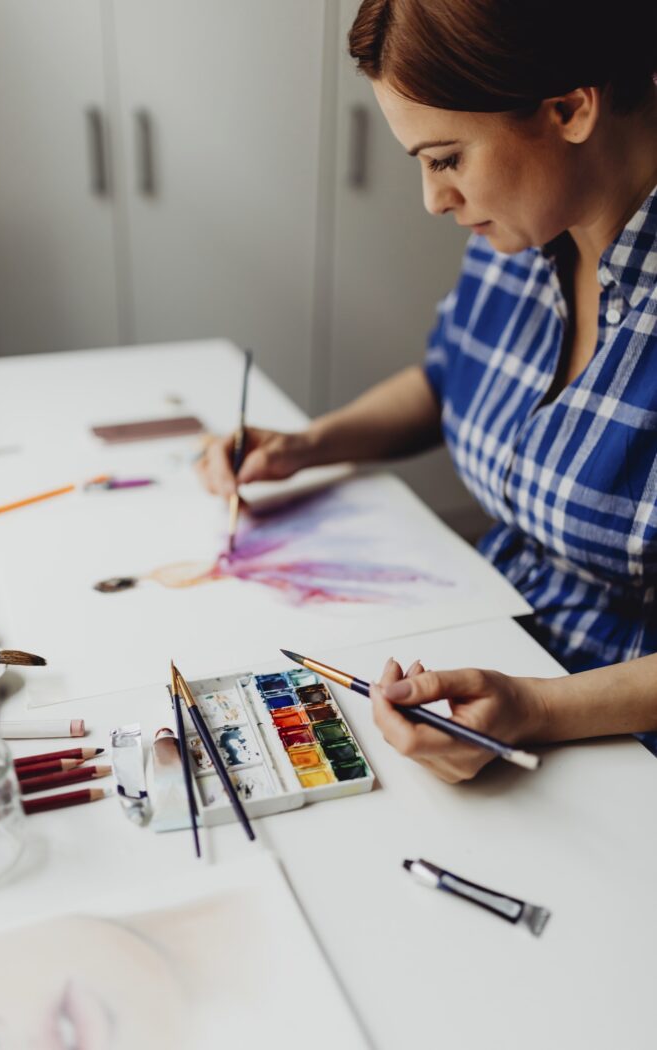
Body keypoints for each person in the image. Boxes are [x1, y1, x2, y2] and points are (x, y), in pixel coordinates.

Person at [197, 0, 657, 782]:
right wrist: (310, 443)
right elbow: (449, 378)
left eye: (445, 159)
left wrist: (542, 707)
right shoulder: (527, 224)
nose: (432, 199)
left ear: (571, 108)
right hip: (492, 638)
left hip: (611, 733)